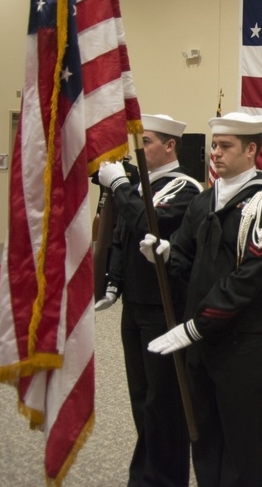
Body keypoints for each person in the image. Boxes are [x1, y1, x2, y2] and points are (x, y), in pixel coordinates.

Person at [141, 112, 262, 487]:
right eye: (214, 146)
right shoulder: (204, 201)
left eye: (226, 147)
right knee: (204, 436)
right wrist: (164, 254)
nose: (216, 154)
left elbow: (246, 281)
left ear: (251, 149)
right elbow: (186, 261)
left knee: (242, 443)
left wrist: (194, 326)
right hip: (200, 342)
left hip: (241, 343)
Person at [95, 114, 203, 487]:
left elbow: (149, 224)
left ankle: (164, 478)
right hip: (136, 305)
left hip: (165, 308)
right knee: (141, 396)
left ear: (170, 146)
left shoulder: (185, 188)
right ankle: (147, 472)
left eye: (148, 142)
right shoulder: (141, 185)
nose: (137, 151)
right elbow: (123, 237)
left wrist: (122, 186)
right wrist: (113, 282)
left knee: (164, 400)